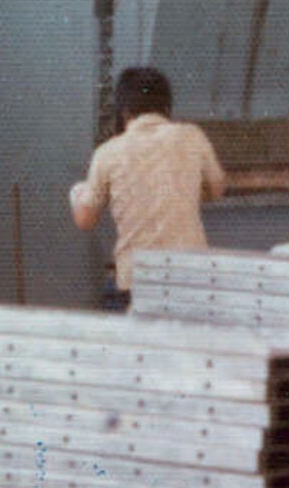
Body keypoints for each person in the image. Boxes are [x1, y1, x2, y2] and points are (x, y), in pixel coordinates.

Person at [69, 67, 226, 310]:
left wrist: (77, 193)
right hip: (192, 276)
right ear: (166, 106)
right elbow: (217, 189)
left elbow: (85, 220)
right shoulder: (193, 137)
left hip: (138, 282)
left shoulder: (108, 152)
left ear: (124, 111)